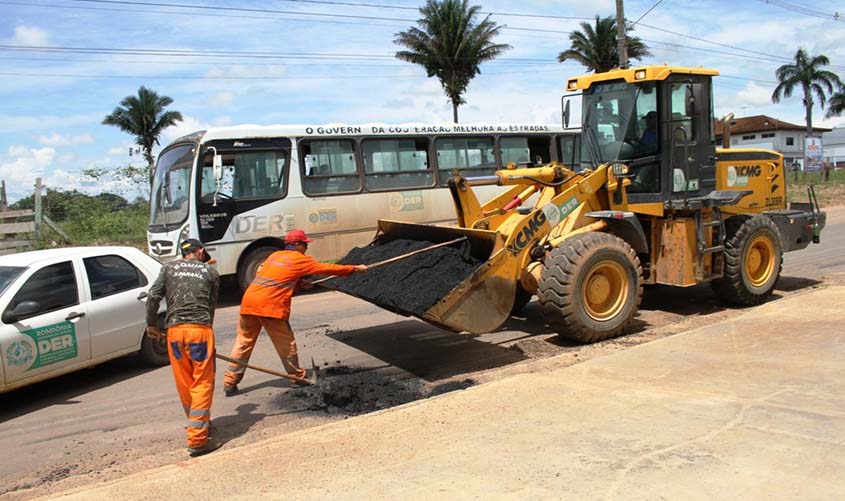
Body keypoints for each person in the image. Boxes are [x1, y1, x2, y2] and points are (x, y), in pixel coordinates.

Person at [223, 229, 367, 395]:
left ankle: (230, 381)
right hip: (270, 307)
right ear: (296, 244)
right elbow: (325, 268)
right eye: (305, 244)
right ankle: (297, 378)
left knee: (243, 342)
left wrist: (298, 285)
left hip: (248, 303)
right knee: (286, 344)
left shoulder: (274, 256)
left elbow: (276, 278)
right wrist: (354, 269)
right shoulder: (299, 259)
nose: (306, 247)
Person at [146, 238, 221, 457]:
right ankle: (198, 439)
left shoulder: (168, 268)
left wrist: (151, 324)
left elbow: (153, 296)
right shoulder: (210, 273)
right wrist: (207, 332)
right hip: (199, 331)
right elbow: (211, 305)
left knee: (185, 381)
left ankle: (199, 424)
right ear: (201, 251)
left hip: (175, 333)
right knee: (202, 381)